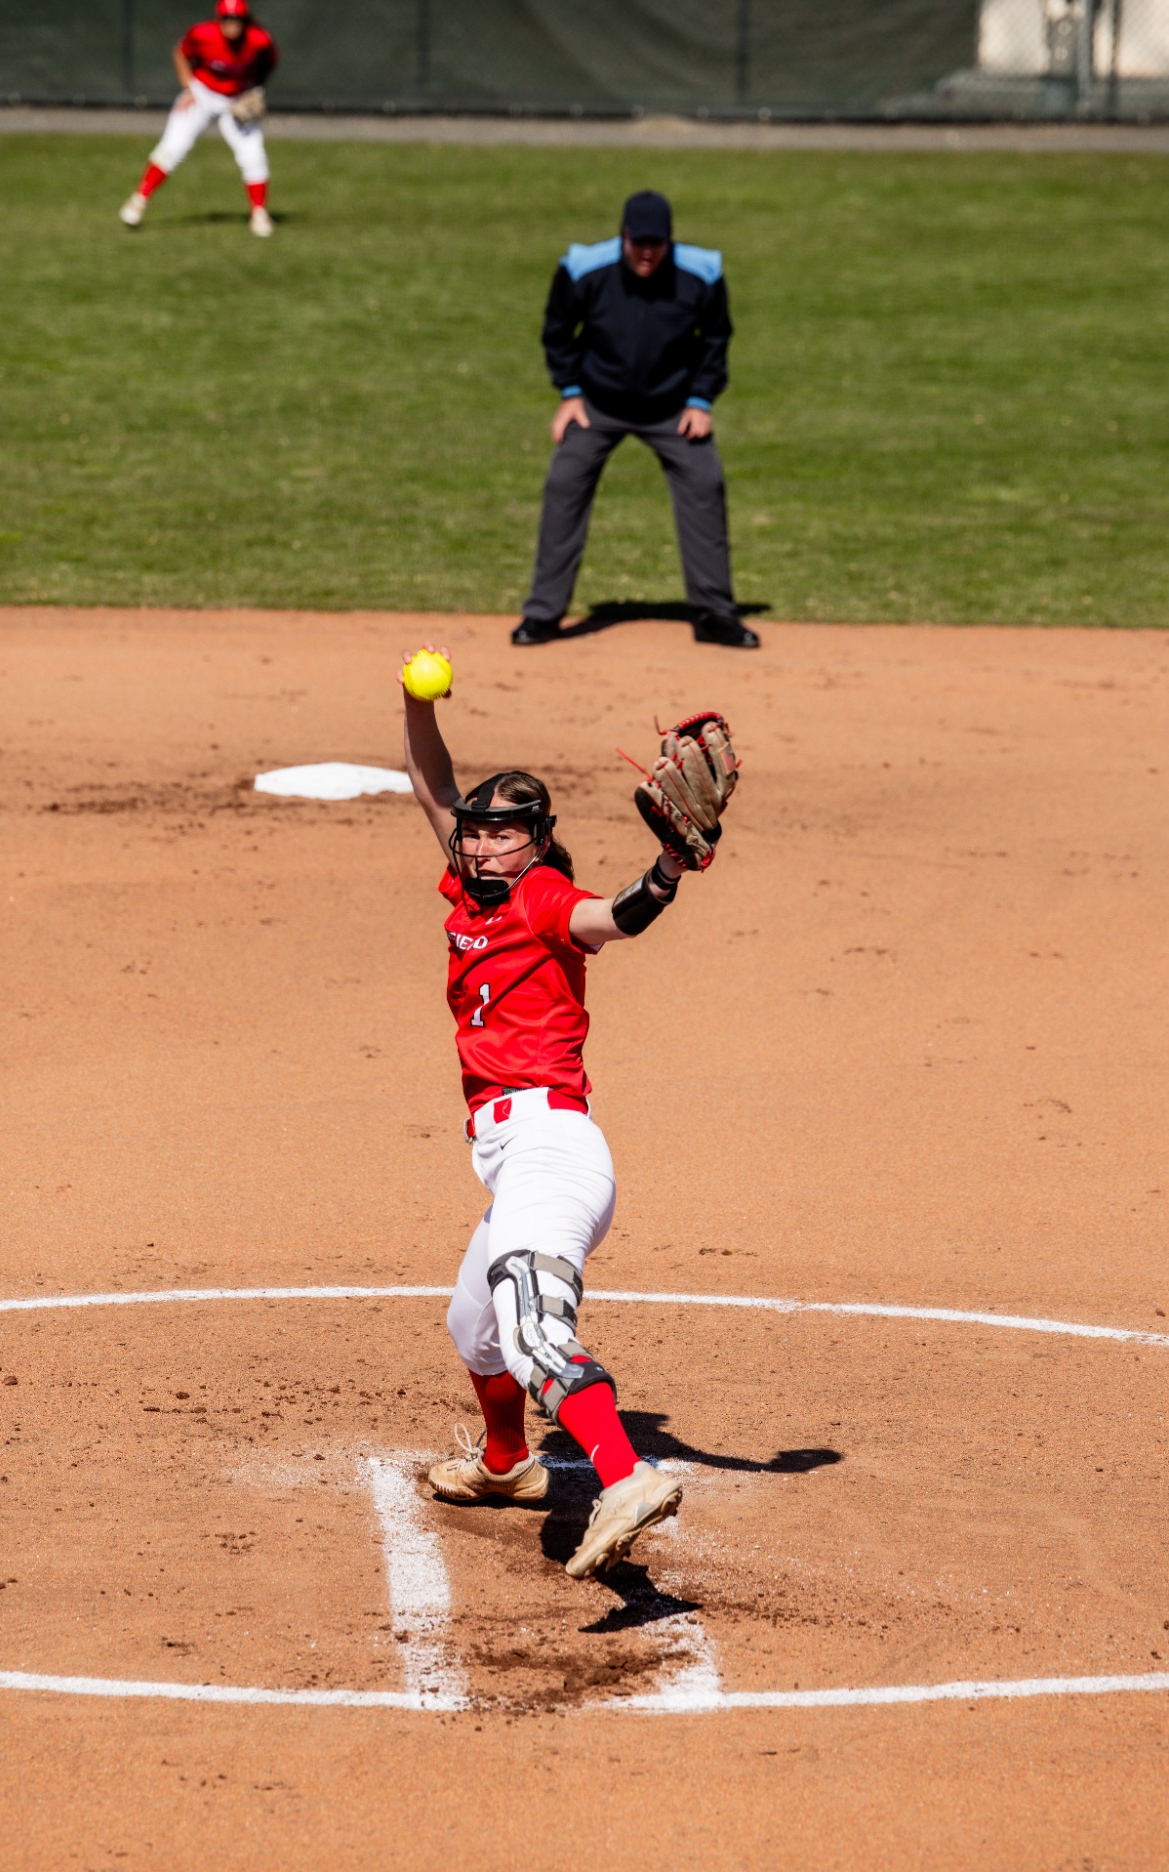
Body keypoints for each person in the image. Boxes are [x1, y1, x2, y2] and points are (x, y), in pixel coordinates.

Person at [401, 663, 710, 1581]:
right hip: (512, 1160)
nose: (481, 845)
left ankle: (624, 1473)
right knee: (476, 1329)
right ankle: (506, 1468)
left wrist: (665, 870)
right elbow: (428, 779)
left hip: (551, 1149)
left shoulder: (540, 898)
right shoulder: (468, 894)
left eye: (500, 835)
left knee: (535, 1331)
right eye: (475, 834)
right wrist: (418, 703)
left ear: (532, 845)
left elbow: (609, 917)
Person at [514, 189, 758, 652]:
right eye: (639, 242)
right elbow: (558, 330)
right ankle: (542, 615)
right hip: (598, 404)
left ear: (670, 240)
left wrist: (701, 400)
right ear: (623, 235)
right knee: (564, 480)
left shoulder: (701, 274)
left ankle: (714, 615)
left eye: (657, 244)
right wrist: (569, 392)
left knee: (705, 482)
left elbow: (715, 340)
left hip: (673, 409)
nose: (647, 253)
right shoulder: (583, 269)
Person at [119, 0, 278, 238]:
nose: (232, 24)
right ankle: (139, 200)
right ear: (218, 18)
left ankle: (259, 212)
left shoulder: (259, 39)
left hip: (236, 100)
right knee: (173, 148)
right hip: (202, 93)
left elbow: (269, 62)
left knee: (253, 155)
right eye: (227, 18)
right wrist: (188, 87)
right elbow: (180, 53)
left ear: (246, 20)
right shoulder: (202, 33)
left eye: (237, 19)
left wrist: (255, 88)